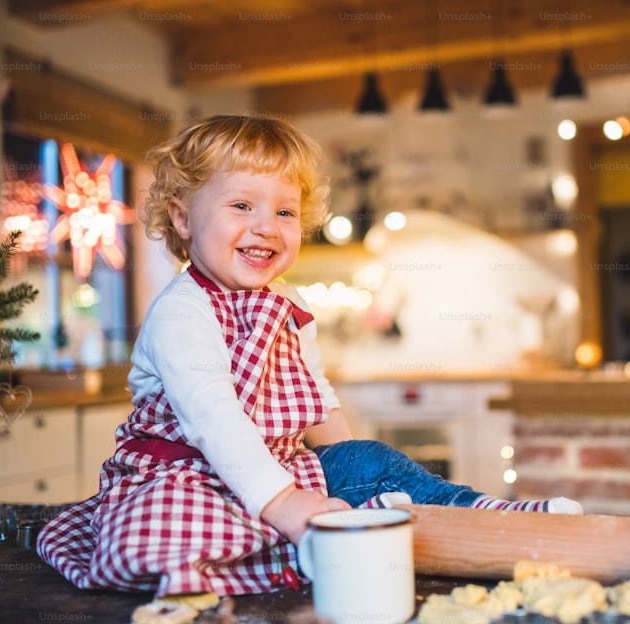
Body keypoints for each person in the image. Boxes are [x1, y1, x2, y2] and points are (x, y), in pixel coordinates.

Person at [37, 114, 582, 597]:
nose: (266, 227)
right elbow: (214, 418)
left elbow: (318, 404)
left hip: (284, 471)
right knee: (153, 538)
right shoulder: (183, 311)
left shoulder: (290, 304)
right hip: (185, 476)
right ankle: (292, 546)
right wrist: (287, 505)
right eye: (241, 205)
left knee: (374, 464)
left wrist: (355, 471)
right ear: (182, 219)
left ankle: (497, 517)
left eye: (285, 211)